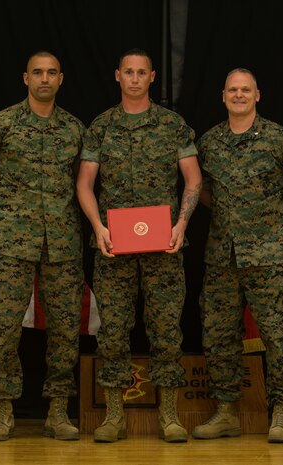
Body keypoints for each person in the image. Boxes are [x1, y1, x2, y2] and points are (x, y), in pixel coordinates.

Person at [76, 48, 202, 443]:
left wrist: (182, 223)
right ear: (117, 76)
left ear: (152, 78)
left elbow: (193, 180)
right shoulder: (101, 127)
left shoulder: (172, 125)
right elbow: (84, 184)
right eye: (128, 72)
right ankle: (114, 416)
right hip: (114, 246)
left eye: (141, 72)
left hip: (163, 245)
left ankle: (169, 415)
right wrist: (98, 226)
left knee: (166, 329)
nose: (134, 78)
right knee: (113, 331)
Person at [0, 51, 86, 442]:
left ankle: (57, 410)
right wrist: (8, 210)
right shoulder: (0, 123)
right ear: (26, 78)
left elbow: (85, 182)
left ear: (61, 79)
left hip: (62, 244)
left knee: (66, 329)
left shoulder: (75, 129)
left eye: (51, 73)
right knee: (4, 328)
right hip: (11, 242)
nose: (44, 79)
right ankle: (3, 410)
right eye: (38, 73)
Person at [192, 68, 283, 443]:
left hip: (269, 256)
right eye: (233, 90)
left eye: (245, 90)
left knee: (277, 335)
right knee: (218, 336)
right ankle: (226, 412)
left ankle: (281, 412)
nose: (239, 95)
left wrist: (273, 219)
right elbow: (199, 188)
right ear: (223, 96)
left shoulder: (280, 139)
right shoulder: (210, 142)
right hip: (222, 257)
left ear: (257, 95)